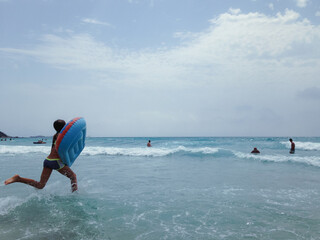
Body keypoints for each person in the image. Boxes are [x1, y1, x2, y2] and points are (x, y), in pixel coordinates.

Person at [4, 119, 78, 192]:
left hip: (48, 161)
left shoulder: (55, 136)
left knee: (40, 185)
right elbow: (67, 148)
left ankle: (18, 179)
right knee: (73, 177)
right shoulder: (62, 136)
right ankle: (75, 195)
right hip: (56, 162)